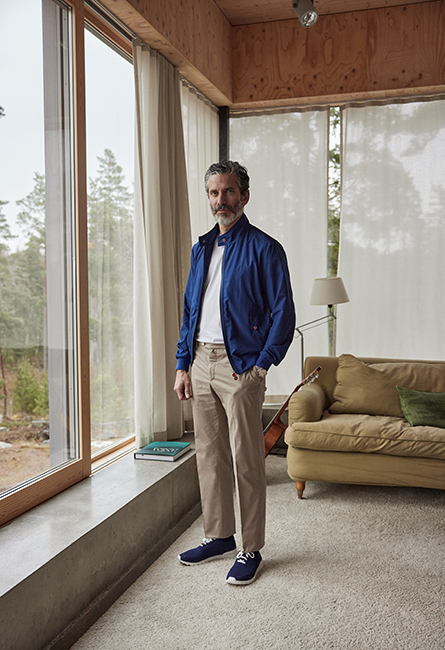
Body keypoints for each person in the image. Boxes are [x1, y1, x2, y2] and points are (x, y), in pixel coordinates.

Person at [174, 160, 295, 585]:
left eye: (227, 191)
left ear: (243, 196)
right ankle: (219, 536)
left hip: (241, 366)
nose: (220, 200)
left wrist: (261, 367)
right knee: (209, 456)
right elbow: (190, 311)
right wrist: (182, 364)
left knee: (246, 459)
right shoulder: (202, 248)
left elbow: (283, 313)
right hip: (200, 363)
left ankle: (251, 548)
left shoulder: (265, 248)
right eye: (213, 193)